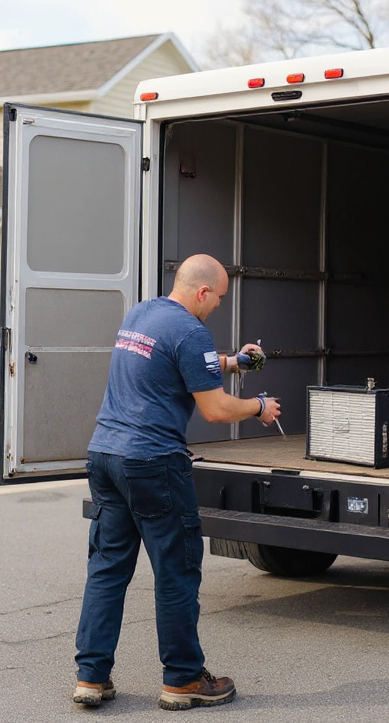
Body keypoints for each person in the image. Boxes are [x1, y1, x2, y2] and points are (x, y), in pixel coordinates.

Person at [71, 253, 282, 711]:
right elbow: (216, 409)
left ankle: (91, 677)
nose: (217, 308)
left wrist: (236, 362)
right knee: (176, 571)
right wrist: (258, 405)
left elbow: (180, 363)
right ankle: (183, 679)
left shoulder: (143, 313)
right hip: (153, 463)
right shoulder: (191, 330)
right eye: (218, 299)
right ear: (202, 292)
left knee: (108, 569)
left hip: (105, 454)